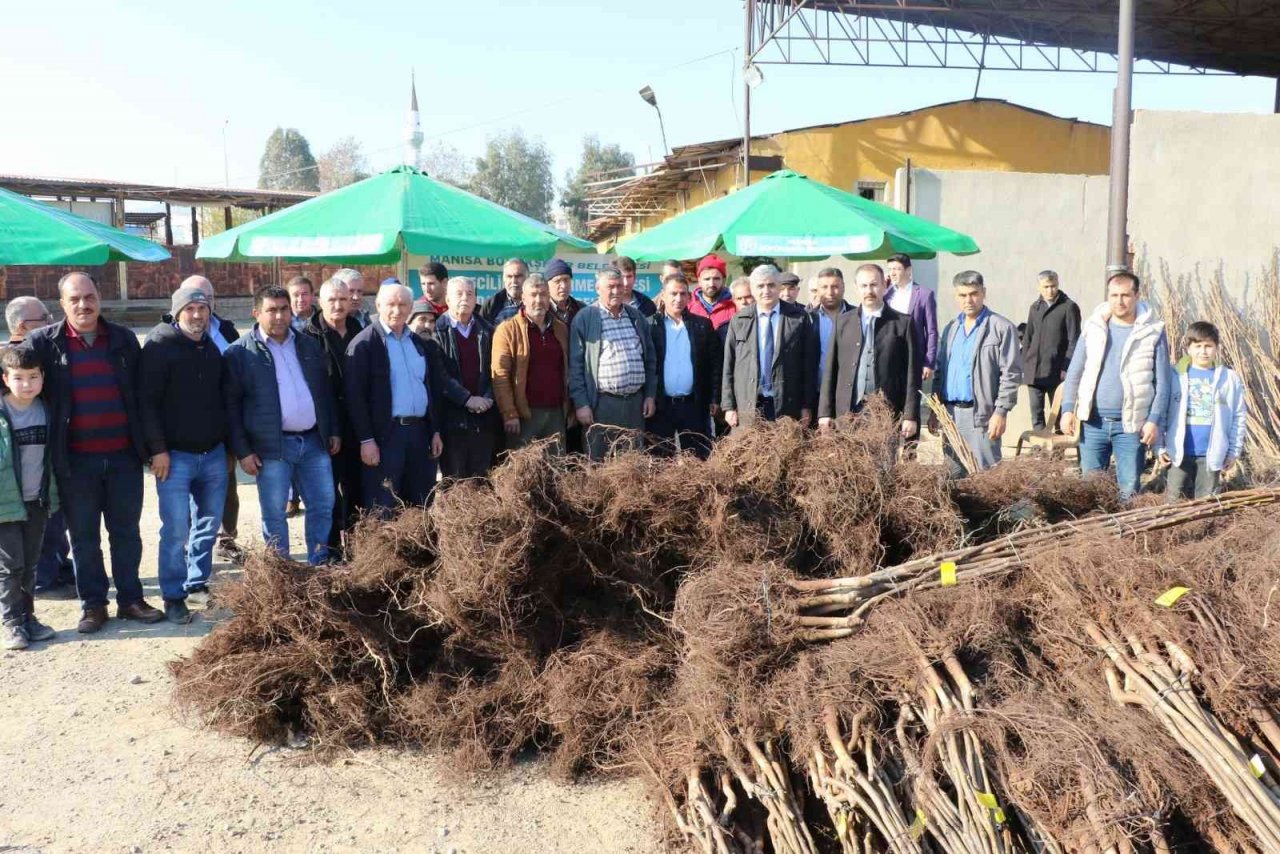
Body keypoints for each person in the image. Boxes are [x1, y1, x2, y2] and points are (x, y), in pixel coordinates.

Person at [22, 272, 164, 632]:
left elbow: (143, 398)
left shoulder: (123, 340)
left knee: (126, 534)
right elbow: (16, 374)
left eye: (89, 297)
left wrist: (154, 448)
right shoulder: (44, 342)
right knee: (84, 538)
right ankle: (93, 605)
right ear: (62, 305)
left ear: (100, 297)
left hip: (123, 458)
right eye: (75, 299)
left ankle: (130, 599)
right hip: (75, 462)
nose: (83, 305)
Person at [224, 285, 339, 564]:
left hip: (314, 441)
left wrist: (332, 430)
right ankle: (282, 572)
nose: (279, 316)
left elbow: (324, 392)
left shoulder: (308, 344)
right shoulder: (239, 354)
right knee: (275, 513)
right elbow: (231, 409)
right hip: (271, 447)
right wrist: (243, 451)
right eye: (271, 310)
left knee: (323, 506)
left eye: (284, 309)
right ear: (256, 313)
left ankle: (319, 565)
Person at [138, 287, 228, 624]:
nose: (197, 315)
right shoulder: (159, 347)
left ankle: (196, 582)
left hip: (213, 454)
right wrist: (157, 450)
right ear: (177, 313)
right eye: (190, 309)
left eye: (202, 308)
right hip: (174, 458)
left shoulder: (210, 347)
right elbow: (147, 403)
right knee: (175, 529)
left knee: (208, 524)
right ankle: (173, 596)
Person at [1060, 271, 1170, 500]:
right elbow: (1074, 372)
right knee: (1090, 490)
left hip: (1131, 425)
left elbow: (1163, 383)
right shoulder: (1093, 328)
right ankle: (1095, 535)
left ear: (1137, 295)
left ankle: (1125, 535)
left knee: (1128, 490)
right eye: (1114, 295)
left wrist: (1153, 421)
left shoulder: (1153, 332)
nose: (1119, 301)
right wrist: (1068, 409)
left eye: (1125, 295)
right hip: (1093, 423)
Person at [165, 275, 244, 563]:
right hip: (182, 436)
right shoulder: (165, 338)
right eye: (194, 299)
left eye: (207, 299)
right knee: (187, 496)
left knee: (227, 488)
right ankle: (191, 547)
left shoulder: (227, 331)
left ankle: (226, 538)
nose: (201, 305)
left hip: (223, 426)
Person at [346, 283, 445, 511]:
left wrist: (435, 430)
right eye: (391, 304)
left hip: (419, 434)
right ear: (378, 305)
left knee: (420, 504)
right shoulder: (364, 344)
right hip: (386, 436)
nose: (397, 310)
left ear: (410, 307)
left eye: (402, 305)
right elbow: (355, 398)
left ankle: (419, 548)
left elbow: (429, 389)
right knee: (384, 505)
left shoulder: (419, 344)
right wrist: (366, 440)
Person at [4, 298, 74, 597]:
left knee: (54, 527)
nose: (51, 320)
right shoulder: (12, 365)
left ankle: (56, 568)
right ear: (22, 326)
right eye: (43, 317)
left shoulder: (45, 354)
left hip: (48, 471)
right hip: (16, 484)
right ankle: (41, 584)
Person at [930, 271, 1023, 476]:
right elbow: (940, 372)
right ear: (956, 296)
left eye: (974, 293)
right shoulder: (951, 329)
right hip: (951, 415)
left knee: (986, 477)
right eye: (962, 295)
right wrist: (935, 411)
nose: (968, 300)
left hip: (982, 416)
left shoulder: (1001, 328)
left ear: (984, 293)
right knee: (953, 476)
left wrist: (1000, 412)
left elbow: (1011, 374)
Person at [817, 264, 919, 439]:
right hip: (848, 413)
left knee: (883, 465)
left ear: (884, 285)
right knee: (850, 465)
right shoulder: (842, 322)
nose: (869, 290)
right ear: (856, 288)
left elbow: (912, 374)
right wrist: (824, 412)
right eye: (864, 286)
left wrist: (910, 415)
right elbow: (830, 370)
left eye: (874, 285)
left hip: (886, 412)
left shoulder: (903, 323)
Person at [0, 348, 59, 650]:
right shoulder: (2, 414)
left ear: (42, 378)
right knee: (11, 567)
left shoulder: (47, 410)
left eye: (33, 377)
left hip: (37, 500)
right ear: (5, 379)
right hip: (6, 504)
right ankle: (11, 624)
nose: (27, 384)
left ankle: (28, 618)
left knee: (31, 563)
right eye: (19, 378)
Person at [569, 267, 657, 461]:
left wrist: (650, 394)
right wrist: (582, 404)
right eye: (610, 287)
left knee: (633, 463)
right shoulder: (585, 318)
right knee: (598, 461)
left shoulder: (636, 317)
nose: (616, 291)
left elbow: (650, 360)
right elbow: (575, 367)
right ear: (597, 288)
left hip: (635, 403)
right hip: (602, 404)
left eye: (619, 286)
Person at [302, 277, 363, 555]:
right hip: (324, 427)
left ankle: (356, 548)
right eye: (332, 300)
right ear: (320, 302)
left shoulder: (358, 329)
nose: (338, 305)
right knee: (327, 495)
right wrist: (331, 429)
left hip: (358, 425)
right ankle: (330, 550)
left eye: (343, 299)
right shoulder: (307, 336)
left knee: (357, 490)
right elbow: (313, 390)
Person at [721, 265, 817, 430]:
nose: (766, 290)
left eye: (771, 285)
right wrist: (729, 405)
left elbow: (808, 366)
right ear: (752, 289)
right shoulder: (739, 320)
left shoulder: (799, 318)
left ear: (779, 287)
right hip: (750, 404)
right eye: (760, 286)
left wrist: (807, 405)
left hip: (786, 404)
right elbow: (729, 364)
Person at [1158, 322, 1245, 501]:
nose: (1203, 351)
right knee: (1174, 501)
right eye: (1198, 346)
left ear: (1216, 348)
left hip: (1211, 454)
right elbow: (1162, 412)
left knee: (1206, 504)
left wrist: (1233, 451)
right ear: (1188, 348)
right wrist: (1159, 447)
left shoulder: (1229, 378)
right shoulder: (1175, 375)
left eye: (1208, 346)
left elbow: (1238, 416)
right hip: (1178, 453)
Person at [492, 275, 573, 452]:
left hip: (556, 413)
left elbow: (568, 370)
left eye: (543, 294)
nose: (539, 300)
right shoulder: (507, 330)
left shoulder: (561, 328)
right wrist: (509, 413)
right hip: (523, 415)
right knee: (523, 475)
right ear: (523, 299)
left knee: (556, 473)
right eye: (533, 295)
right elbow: (500, 376)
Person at [647, 273, 720, 458]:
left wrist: (714, 398)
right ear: (663, 295)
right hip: (661, 406)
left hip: (693, 405)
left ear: (689, 297)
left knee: (697, 460)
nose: (678, 299)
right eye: (673, 294)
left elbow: (714, 365)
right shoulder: (650, 326)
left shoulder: (702, 325)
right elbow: (647, 365)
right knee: (661, 462)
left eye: (682, 294)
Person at [435, 277, 497, 479]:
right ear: (448, 299)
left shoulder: (487, 330)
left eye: (470, 294)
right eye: (459, 294)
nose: (465, 298)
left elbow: (496, 369)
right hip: (452, 420)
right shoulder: (438, 330)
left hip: (484, 417)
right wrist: (466, 399)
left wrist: (488, 398)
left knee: (481, 480)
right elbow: (439, 374)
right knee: (455, 482)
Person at [1021, 271, 1081, 431]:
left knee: (1059, 416)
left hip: (1057, 371)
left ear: (1058, 284)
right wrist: (1023, 365)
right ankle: (1039, 450)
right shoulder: (1035, 307)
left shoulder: (1069, 307)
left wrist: (1066, 368)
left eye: (1053, 286)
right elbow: (1028, 337)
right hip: (1034, 371)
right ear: (1039, 287)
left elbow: (1074, 340)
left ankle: (1057, 453)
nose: (1050, 290)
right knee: (1036, 415)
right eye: (1046, 287)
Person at [884, 254, 939, 383]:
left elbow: (932, 331)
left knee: (912, 396)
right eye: (890, 269)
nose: (892, 273)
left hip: (913, 355)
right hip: (889, 355)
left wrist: (929, 362)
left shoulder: (924, 294)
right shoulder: (885, 294)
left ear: (908, 270)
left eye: (897, 269)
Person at [809, 267, 854, 386]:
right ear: (817, 290)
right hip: (816, 393)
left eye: (835, 287)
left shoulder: (858, 316)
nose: (830, 292)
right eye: (824, 287)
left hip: (849, 392)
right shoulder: (807, 320)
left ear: (843, 287)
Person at [688, 254, 737, 337]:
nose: (711, 284)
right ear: (699, 280)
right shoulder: (688, 305)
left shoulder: (735, 305)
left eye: (716, 279)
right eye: (707, 279)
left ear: (724, 280)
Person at [479, 258, 529, 325]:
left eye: (518, 276)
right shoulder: (491, 305)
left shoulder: (537, 302)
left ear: (528, 277)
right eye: (509, 276)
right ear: (503, 279)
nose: (514, 281)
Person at [544, 260, 584, 326]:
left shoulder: (581, 309)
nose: (563, 286)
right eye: (557, 281)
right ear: (547, 284)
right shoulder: (542, 310)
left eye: (566, 280)